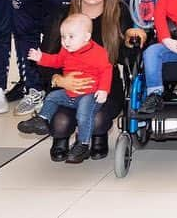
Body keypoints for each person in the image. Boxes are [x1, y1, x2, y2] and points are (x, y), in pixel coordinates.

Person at [18, 0, 143, 161]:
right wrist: (59, 80)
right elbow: (47, 59)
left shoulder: (118, 14)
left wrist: (132, 41)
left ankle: (96, 138)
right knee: (60, 122)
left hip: (103, 88)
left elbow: (125, 59)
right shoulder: (61, 15)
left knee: (97, 119)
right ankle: (60, 139)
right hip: (66, 87)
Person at [21, 13, 111, 164]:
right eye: (63, 37)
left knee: (83, 115)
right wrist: (41, 57)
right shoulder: (66, 50)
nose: (65, 41)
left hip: (89, 94)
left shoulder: (98, 52)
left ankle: (82, 144)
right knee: (51, 97)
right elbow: (56, 61)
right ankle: (42, 119)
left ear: (86, 37)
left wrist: (103, 89)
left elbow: (106, 70)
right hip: (70, 93)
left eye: (70, 37)